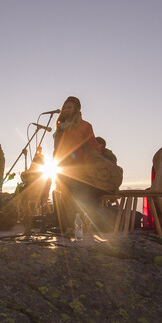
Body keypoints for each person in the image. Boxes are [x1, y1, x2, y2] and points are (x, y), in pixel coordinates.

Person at [52, 96, 105, 234]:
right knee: (64, 198)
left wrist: (88, 163)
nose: (66, 109)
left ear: (76, 109)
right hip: (63, 169)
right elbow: (56, 150)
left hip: (80, 170)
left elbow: (93, 147)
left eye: (69, 107)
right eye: (64, 107)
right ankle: (66, 227)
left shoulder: (85, 126)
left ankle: (79, 227)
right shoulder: (60, 129)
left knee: (78, 199)